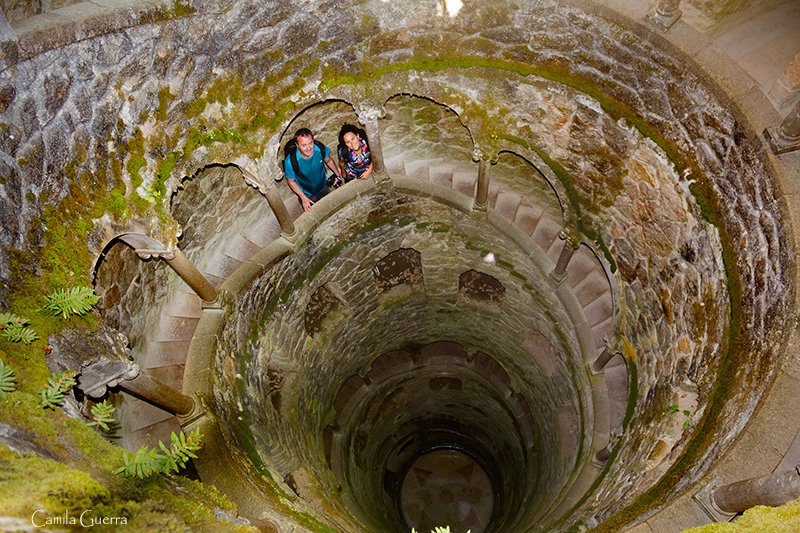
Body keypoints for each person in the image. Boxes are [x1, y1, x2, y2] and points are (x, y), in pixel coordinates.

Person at [282, 128, 342, 212]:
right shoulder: (291, 161)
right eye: (304, 145)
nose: (309, 148)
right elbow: (291, 181)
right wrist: (303, 198)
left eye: (310, 143)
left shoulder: (319, 148)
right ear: (297, 145)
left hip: (323, 185)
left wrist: (338, 175)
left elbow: (328, 160)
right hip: (307, 193)